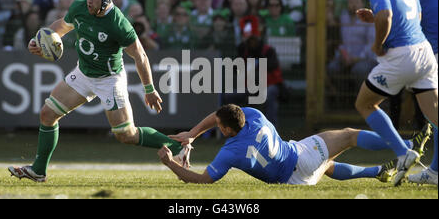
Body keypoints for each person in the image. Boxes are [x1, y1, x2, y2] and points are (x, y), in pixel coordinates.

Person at [8, 0, 192, 183]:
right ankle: (38, 171)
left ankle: (178, 146)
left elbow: (140, 55)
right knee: (47, 114)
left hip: (109, 79)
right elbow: (61, 26)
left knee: (126, 134)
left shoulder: (118, 23)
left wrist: (149, 89)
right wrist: (40, 40)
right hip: (84, 73)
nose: (88, 0)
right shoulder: (79, 7)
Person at [157, 104, 430, 185]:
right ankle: (405, 145)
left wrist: (170, 162)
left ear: (228, 130)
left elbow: (203, 180)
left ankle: (381, 171)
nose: (217, 126)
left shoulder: (230, 152)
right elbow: (219, 116)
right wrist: (193, 133)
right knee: (349, 135)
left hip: (293, 179)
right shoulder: (254, 115)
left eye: (219, 126)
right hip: (299, 157)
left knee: (329, 165)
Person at [354, 0, 438, 186]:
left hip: (402, 57)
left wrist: (378, 44)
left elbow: (386, 17)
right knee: (436, 117)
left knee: (365, 103)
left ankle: (403, 151)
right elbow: (416, 16)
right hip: (425, 52)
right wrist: (376, 16)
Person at [407, 0, 438, 186]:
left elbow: (407, 17)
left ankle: (435, 171)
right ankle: (435, 170)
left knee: (434, 113)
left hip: (432, 54)